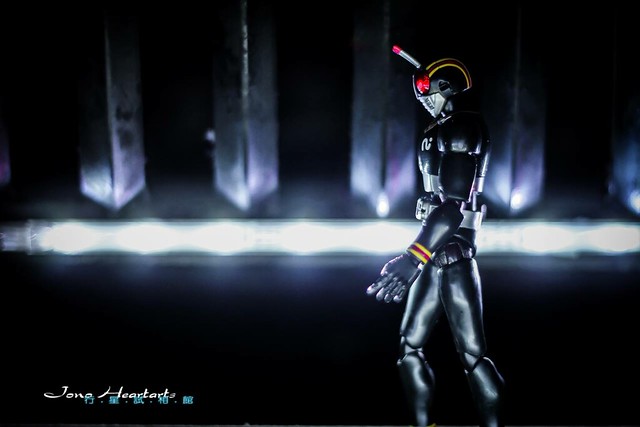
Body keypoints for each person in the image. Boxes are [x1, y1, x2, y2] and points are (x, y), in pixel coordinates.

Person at [366, 46, 505, 427]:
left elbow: (453, 207)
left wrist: (412, 258)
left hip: (452, 251)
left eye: (428, 88)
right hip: (433, 251)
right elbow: (441, 201)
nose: (422, 96)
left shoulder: (462, 127)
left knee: (473, 356)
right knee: (410, 347)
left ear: (448, 85)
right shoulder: (441, 129)